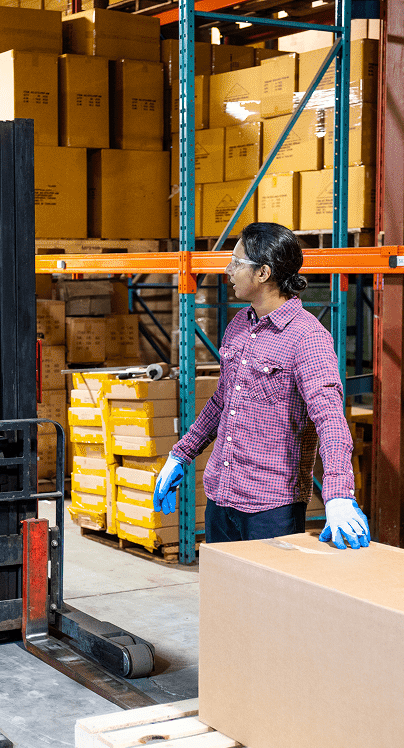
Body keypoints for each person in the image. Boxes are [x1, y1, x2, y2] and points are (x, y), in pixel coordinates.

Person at [152, 223, 370, 548]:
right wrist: (181, 455)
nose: (229, 270)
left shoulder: (308, 339)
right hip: (222, 496)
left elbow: (331, 422)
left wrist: (338, 494)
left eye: (237, 263)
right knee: (223, 598)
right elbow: (222, 401)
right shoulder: (240, 324)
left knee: (269, 600)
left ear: (264, 273)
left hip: (271, 508)